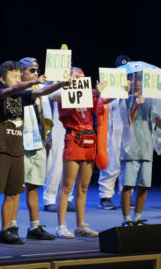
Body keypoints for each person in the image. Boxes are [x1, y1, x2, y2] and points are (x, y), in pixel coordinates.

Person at [0, 61, 70, 246]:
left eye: (19, 75)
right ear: (2, 79)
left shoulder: (22, 95)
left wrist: (61, 83)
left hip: (17, 151)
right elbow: (15, 89)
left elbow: (41, 92)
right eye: (14, 75)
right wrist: (31, 82)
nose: (18, 78)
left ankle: (5, 231)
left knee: (12, 194)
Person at [55, 67, 110, 238]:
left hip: (89, 139)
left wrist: (120, 91)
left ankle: (80, 225)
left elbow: (100, 106)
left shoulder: (89, 98)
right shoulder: (64, 96)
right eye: (76, 77)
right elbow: (67, 108)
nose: (79, 80)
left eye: (81, 77)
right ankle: (61, 226)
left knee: (84, 186)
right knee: (67, 185)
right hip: (73, 138)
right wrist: (92, 93)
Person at [8, 57, 55, 240]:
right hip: (20, 143)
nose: (36, 73)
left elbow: (54, 94)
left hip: (37, 143)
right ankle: (11, 226)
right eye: (32, 70)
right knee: (16, 188)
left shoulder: (39, 91)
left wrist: (63, 83)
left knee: (33, 187)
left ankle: (34, 227)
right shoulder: (14, 91)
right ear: (22, 73)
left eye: (37, 70)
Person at [120, 83, 161, 226]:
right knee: (128, 185)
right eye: (136, 78)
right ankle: (126, 219)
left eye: (141, 79)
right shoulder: (125, 98)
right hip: (130, 148)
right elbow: (126, 121)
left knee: (144, 185)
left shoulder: (151, 101)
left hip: (146, 147)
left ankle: (137, 218)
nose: (138, 82)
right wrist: (135, 106)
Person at [98, 55, 130, 210]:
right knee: (111, 162)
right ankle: (105, 196)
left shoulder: (134, 83)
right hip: (112, 127)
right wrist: (120, 92)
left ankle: (126, 194)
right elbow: (101, 101)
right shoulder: (108, 83)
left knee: (127, 162)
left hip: (128, 127)